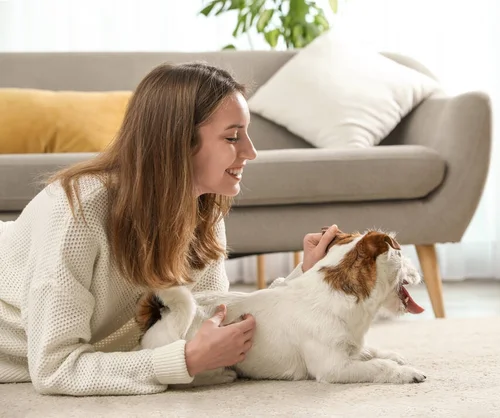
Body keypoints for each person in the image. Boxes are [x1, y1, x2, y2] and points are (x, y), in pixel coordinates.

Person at [0, 62, 339, 396]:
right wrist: (186, 362)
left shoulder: (202, 208)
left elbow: (215, 323)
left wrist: (307, 276)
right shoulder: (77, 210)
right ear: (179, 142)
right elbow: (54, 368)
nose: (251, 151)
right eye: (232, 136)